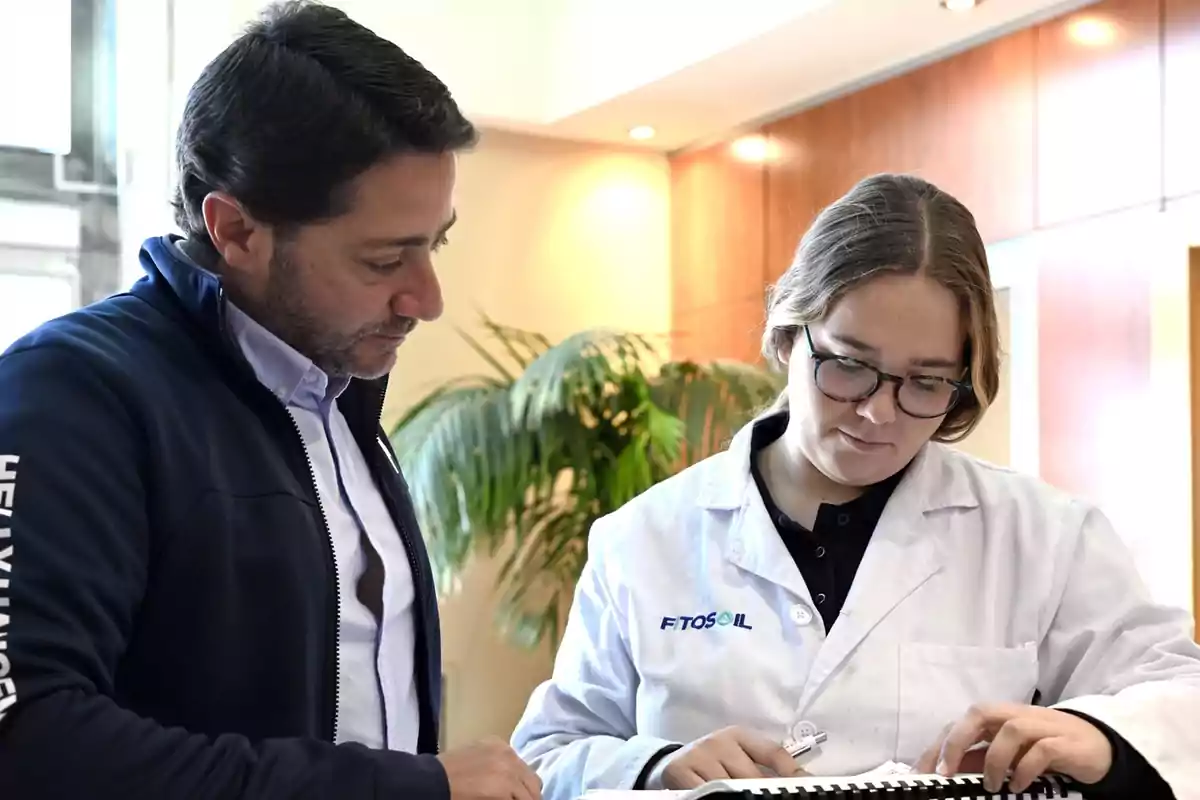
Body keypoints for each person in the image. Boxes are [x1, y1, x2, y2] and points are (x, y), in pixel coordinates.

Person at [510, 173, 1200, 800]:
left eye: (925, 382)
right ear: (788, 335)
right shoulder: (642, 538)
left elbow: (1181, 695)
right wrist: (655, 765)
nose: (878, 412)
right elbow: (546, 754)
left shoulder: (1045, 535)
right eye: (847, 366)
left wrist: (1100, 733)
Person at [0, 3, 540, 799]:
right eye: (386, 257)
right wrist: (408, 788)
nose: (426, 298)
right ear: (237, 231)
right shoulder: (69, 392)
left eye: (436, 243)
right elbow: (29, 739)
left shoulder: (339, 402)